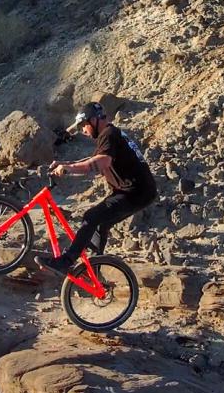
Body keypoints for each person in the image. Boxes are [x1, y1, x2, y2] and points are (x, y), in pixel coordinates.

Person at [38, 102, 157, 273]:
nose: (83, 131)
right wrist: (64, 164)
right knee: (101, 224)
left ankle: (66, 261)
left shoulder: (108, 134)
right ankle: (94, 270)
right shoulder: (110, 134)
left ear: (93, 120)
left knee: (91, 216)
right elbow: (91, 160)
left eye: (84, 126)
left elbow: (101, 162)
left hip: (135, 192)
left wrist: (68, 169)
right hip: (136, 191)